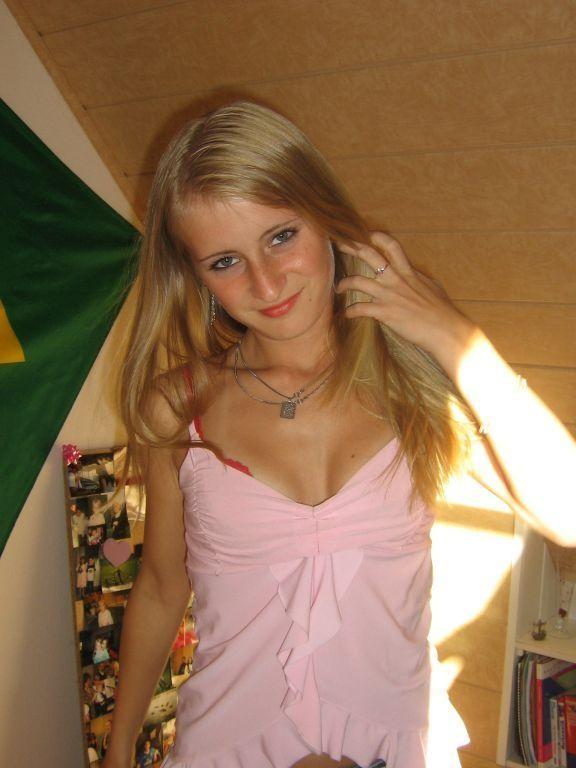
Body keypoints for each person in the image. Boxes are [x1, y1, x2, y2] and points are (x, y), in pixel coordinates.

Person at [103, 102, 576, 768]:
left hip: (396, 746)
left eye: (281, 236)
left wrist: (452, 333)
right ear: (194, 276)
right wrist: (119, 745)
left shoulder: (411, 383)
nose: (266, 283)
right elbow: (159, 585)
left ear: (325, 216)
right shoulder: (179, 407)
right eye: (225, 261)